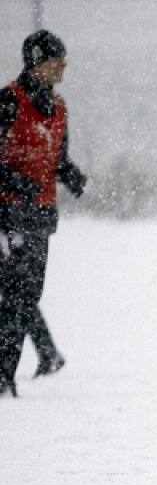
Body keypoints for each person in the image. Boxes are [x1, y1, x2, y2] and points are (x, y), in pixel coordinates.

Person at [1, 30, 85, 399]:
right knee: (17, 292)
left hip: (41, 215)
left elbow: (57, 158)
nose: (63, 65)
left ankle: (42, 357)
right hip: (7, 213)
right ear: (37, 63)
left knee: (27, 292)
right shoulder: (8, 102)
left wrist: (71, 175)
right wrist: (17, 184)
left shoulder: (60, 106)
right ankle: (5, 375)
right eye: (57, 59)